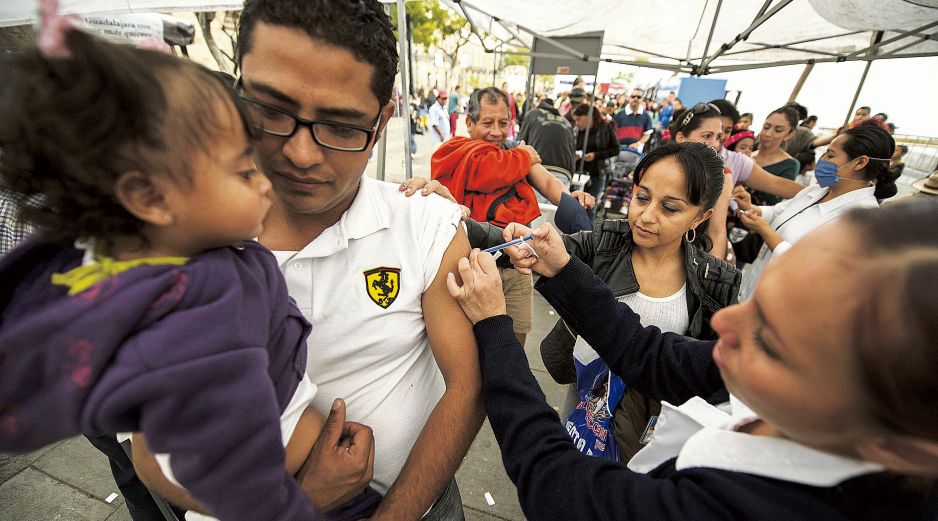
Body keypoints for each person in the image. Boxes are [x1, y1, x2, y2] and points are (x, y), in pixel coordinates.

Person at [0, 20, 378, 521]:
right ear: (151, 197)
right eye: (245, 172)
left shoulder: (154, 267)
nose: (265, 185)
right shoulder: (214, 292)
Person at [136, 2, 487, 519]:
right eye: (272, 111)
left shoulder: (426, 226)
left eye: (342, 126)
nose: (301, 154)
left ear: (382, 118)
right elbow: (149, 451)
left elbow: (469, 385)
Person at [447, 201, 938, 521]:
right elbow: (651, 354)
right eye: (757, 300)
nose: (726, 324)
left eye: (770, 342)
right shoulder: (818, 391)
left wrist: (495, 327)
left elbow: (559, 488)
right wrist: (562, 268)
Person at [538, 142, 740, 462]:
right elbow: (539, 247)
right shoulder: (605, 242)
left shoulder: (715, 282)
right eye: (642, 198)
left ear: (700, 217)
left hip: (648, 419)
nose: (646, 216)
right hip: (584, 389)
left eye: (670, 208)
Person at [430, 86, 578, 348]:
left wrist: (570, 199)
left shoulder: (514, 153)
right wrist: (523, 156)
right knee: (471, 347)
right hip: (472, 266)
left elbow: (547, 182)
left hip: (518, 265)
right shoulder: (454, 151)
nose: (497, 132)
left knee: (515, 344)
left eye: (503, 123)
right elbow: (486, 171)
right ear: (469, 122)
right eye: (487, 123)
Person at [734, 125, 897, 301]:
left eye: (831, 155)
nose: (823, 160)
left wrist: (766, 232)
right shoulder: (817, 191)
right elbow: (779, 213)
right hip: (753, 292)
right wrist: (753, 209)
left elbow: (814, 269)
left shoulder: (862, 219)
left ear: (860, 162)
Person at [518, 96, 577, 199]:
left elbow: (520, 143)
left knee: (539, 212)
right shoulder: (566, 122)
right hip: (565, 172)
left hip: (539, 170)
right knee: (555, 212)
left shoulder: (533, 114)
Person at [572, 103, 620, 215]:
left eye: (579, 119)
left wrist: (596, 155)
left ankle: (589, 231)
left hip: (597, 172)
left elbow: (616, 149)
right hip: (579, 171)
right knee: (576, 205)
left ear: (589, 117)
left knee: (590, 208)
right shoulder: (577, 131)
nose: (577, 123)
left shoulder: (606, 128)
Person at [751, 106, 801, 205]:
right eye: (766, 127)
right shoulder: (748, 154)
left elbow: (775, 199)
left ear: (789, 135)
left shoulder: (790, 164)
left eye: (778, 130)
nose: (768, 133)